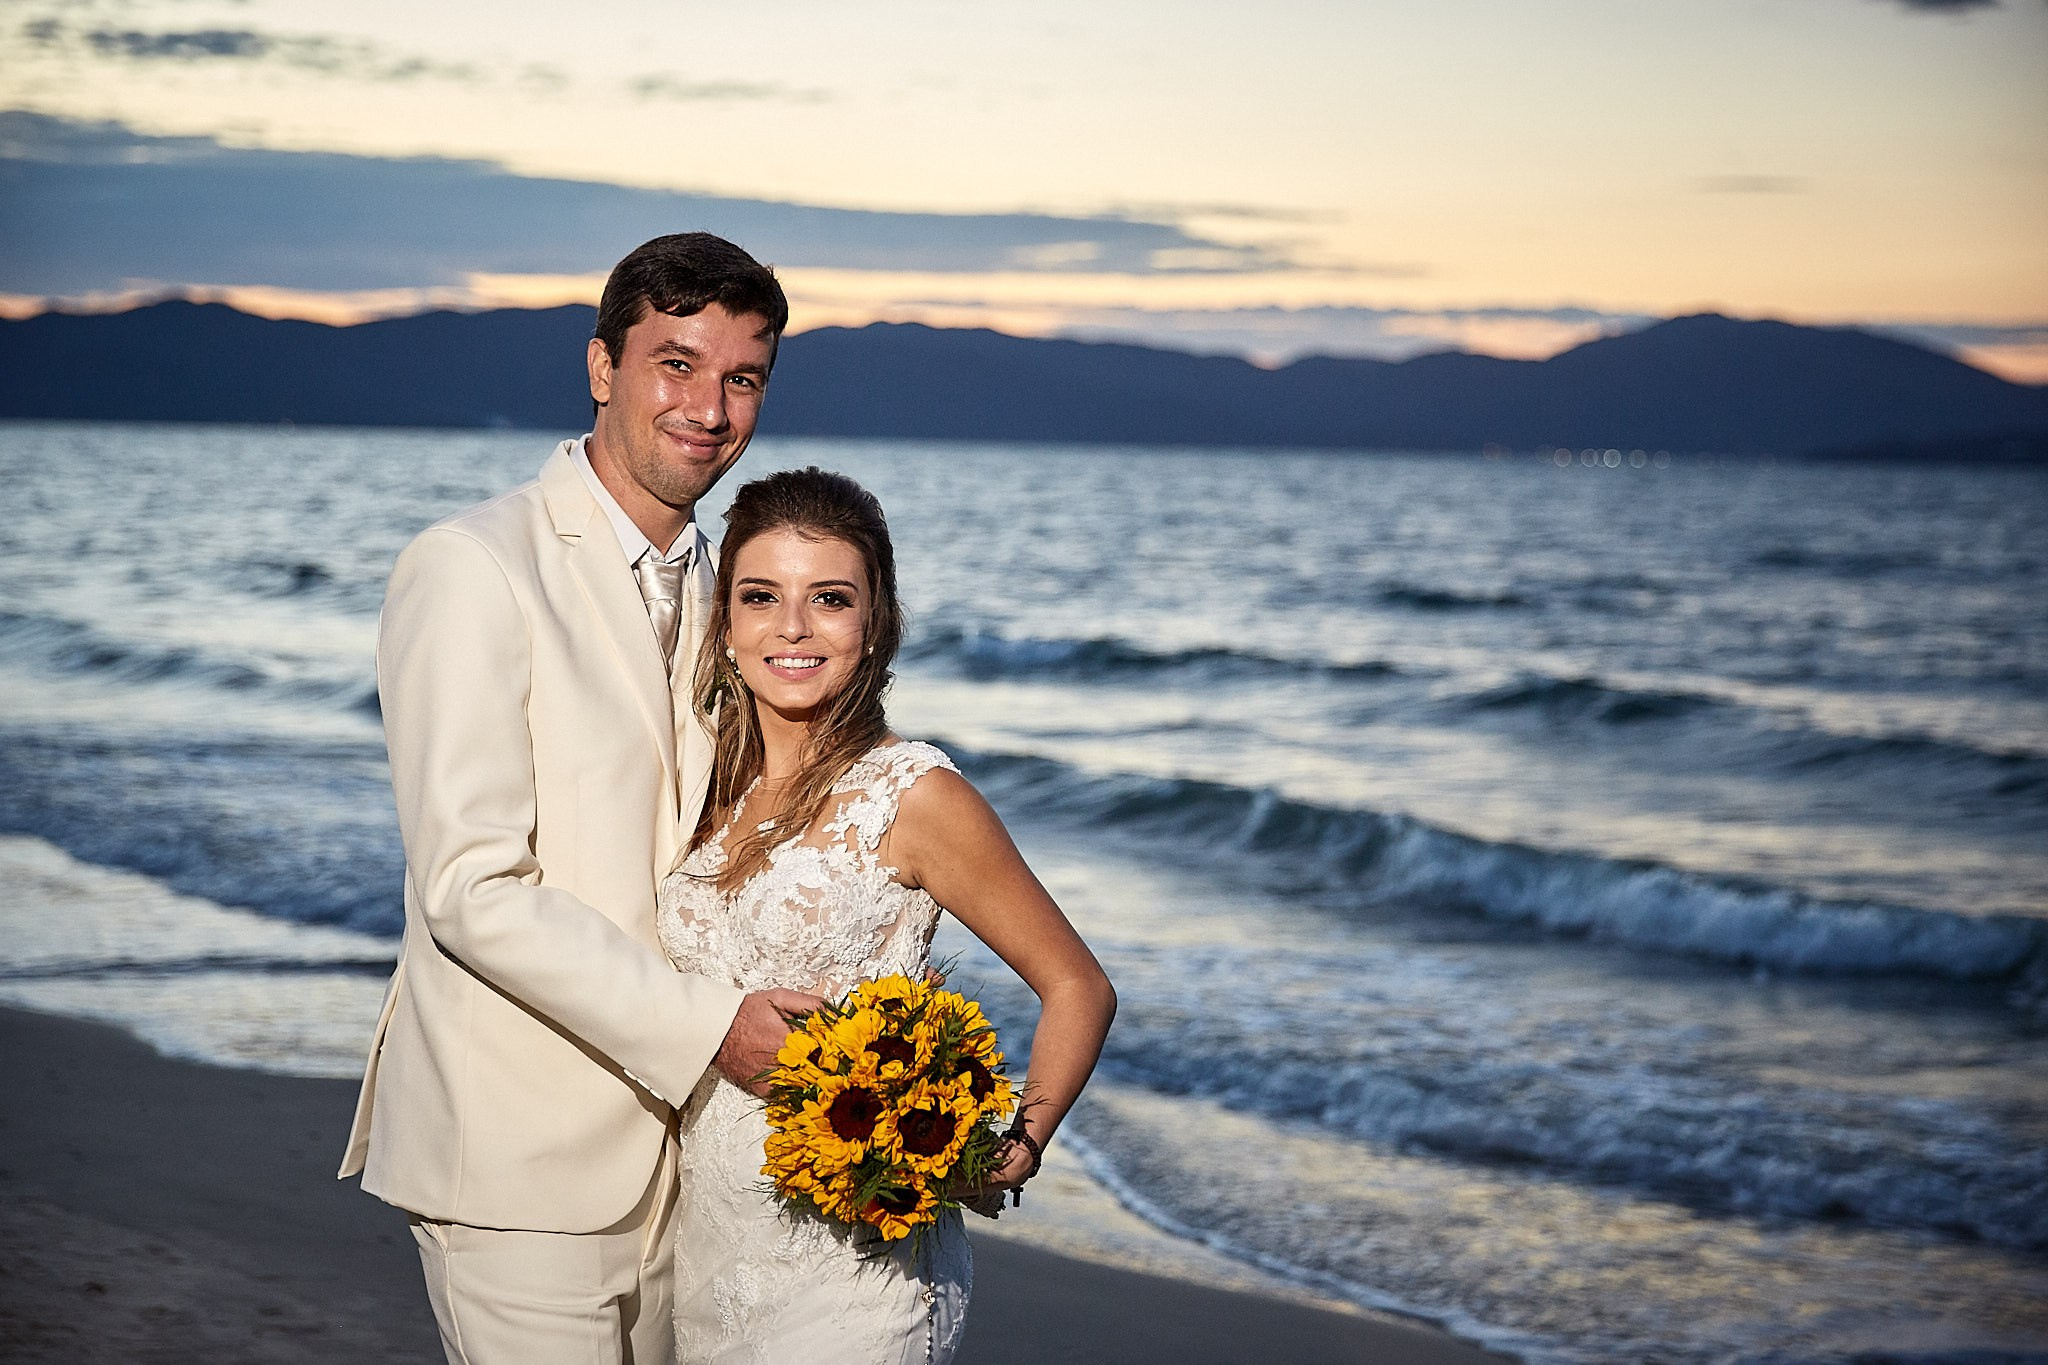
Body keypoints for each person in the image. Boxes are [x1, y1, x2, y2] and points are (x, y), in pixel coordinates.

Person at [338, 232, 822, 1364]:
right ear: (601, 366)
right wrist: (712, 1031)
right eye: (675, 363)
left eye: (740, 377)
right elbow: (471, 888)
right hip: (513, 1156)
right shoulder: (473, 566)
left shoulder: (732, 590)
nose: (708, 407)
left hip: (688, 1161)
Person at [655, 467, 1118, 1363]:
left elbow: (1078, 986)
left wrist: (1014, 1147)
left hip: (858, 1265)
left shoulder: (916, 796)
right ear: (726, 624)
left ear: (875, 626)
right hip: (710, 1239)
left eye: (830, 598)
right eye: (761, 596)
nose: (792, 627)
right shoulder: (705, 787)